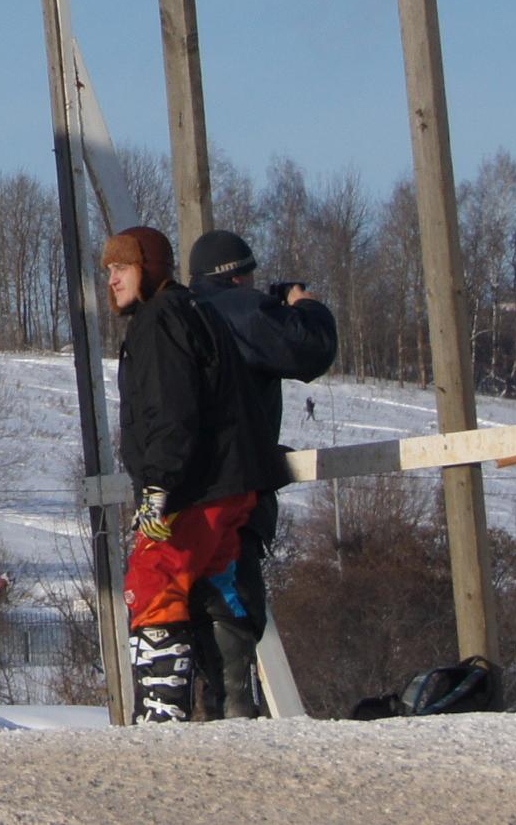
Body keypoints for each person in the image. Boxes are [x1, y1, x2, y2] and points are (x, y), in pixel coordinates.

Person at [106, 224, 258, 725]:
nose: (112, 280)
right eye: (109, 271)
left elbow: (171, 409)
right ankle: (234, 708)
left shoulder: (159, 319)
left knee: (153, 579)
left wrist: (158, 486)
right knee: (215, 587)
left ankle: (161, 713)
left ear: (148, 269)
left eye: (122, 268)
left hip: (192, 488)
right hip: (228, 483)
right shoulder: (194, 310)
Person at [187, 230, 338, 718]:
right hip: (232, 485)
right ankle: (233, 708)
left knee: (193, 597)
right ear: (239, 276)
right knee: (232, 595)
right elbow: (311, 349)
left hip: (178, 487)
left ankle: (207, 706)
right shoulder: (243, 311)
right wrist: (304, 304)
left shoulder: (177, 314)